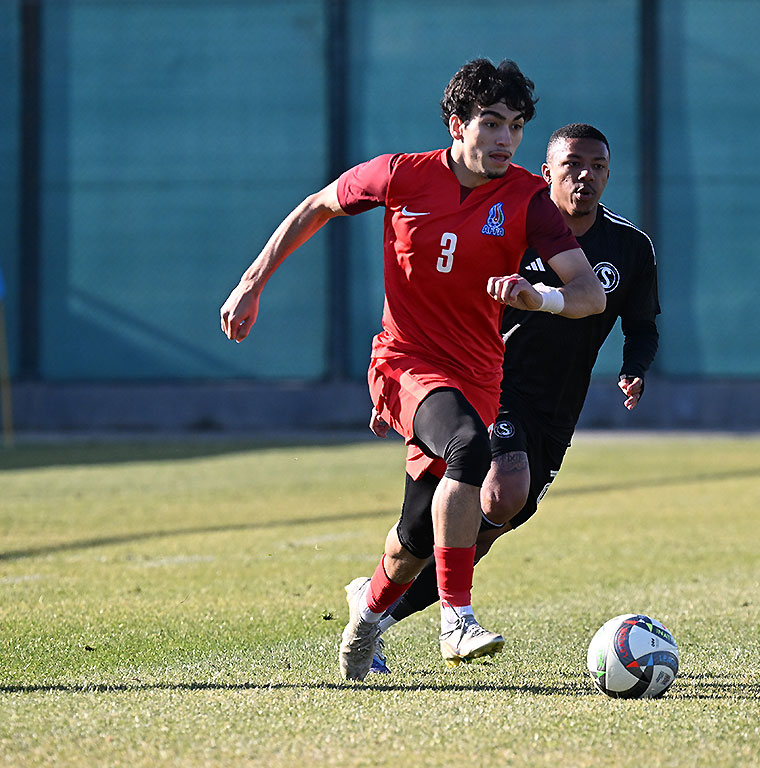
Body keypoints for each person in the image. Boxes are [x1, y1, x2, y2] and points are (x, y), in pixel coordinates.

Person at [220, 61, 606, 681]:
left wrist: (540, 298)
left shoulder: (529, 199)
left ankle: (365, 616)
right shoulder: (401, 174)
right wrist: (251, 283)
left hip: (478, 376)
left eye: (515, 126)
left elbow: (590, 295)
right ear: (457, 125)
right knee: (469, 448)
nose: (506, 139)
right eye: (491, 123)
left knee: (415, 539)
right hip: (404, 363)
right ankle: (457, 618)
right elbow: (317, 206)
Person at [367, 123, 660, 673]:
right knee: (503, 491)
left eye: (598, 166)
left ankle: (377, 609)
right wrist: (405, 383)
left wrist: (634, 368)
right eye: (572, 165)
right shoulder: (513, 228)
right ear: (546, 173)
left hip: (558, 406)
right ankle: (451, 619)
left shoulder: (630, 246)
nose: (585, 176)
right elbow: (442, 303)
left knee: (483, 530)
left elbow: (641, 324)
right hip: (490, 383)